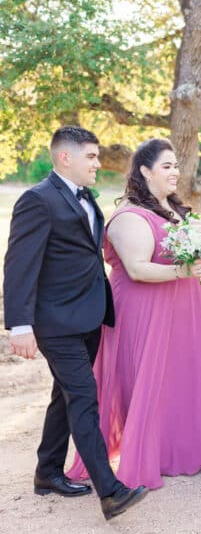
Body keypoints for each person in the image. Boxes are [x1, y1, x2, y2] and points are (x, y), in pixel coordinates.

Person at [68, 138, 201, 490]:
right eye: (167, 166)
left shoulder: (173, 209)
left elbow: (186, 230)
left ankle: (198, 446)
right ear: (145, 171)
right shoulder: (129, 216)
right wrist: (182, 272)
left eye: (176, 166)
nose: (176, 172)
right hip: (146, 310)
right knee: (155, 378)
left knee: (193, 372)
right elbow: (136, 269)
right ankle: (159, 453)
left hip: (188, 307)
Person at [3, 126, 148, 520]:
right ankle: (110, 491)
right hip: (54, 322)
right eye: (91, 157)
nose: (98, 164)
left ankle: (47, 472)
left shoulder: (84, 197)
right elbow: (19, 265)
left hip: (88, 315)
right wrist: (19, 325)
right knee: (84, 397)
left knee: (63, 395)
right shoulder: (37, 200)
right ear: (65, 157)